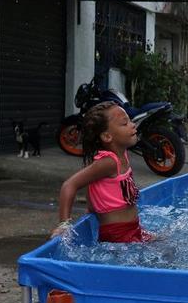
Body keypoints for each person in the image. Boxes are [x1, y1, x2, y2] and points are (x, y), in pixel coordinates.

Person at [52, 101, 155, 243]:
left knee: (165, 243)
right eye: (124, 123)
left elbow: (94, 183)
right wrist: (64, 225)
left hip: (133, 228)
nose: (132, 125)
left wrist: (92, 207)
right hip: (118, 234)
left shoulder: (122, 153)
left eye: (130, 121)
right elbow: (69, 185)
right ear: (107, 136)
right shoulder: (108, 162)